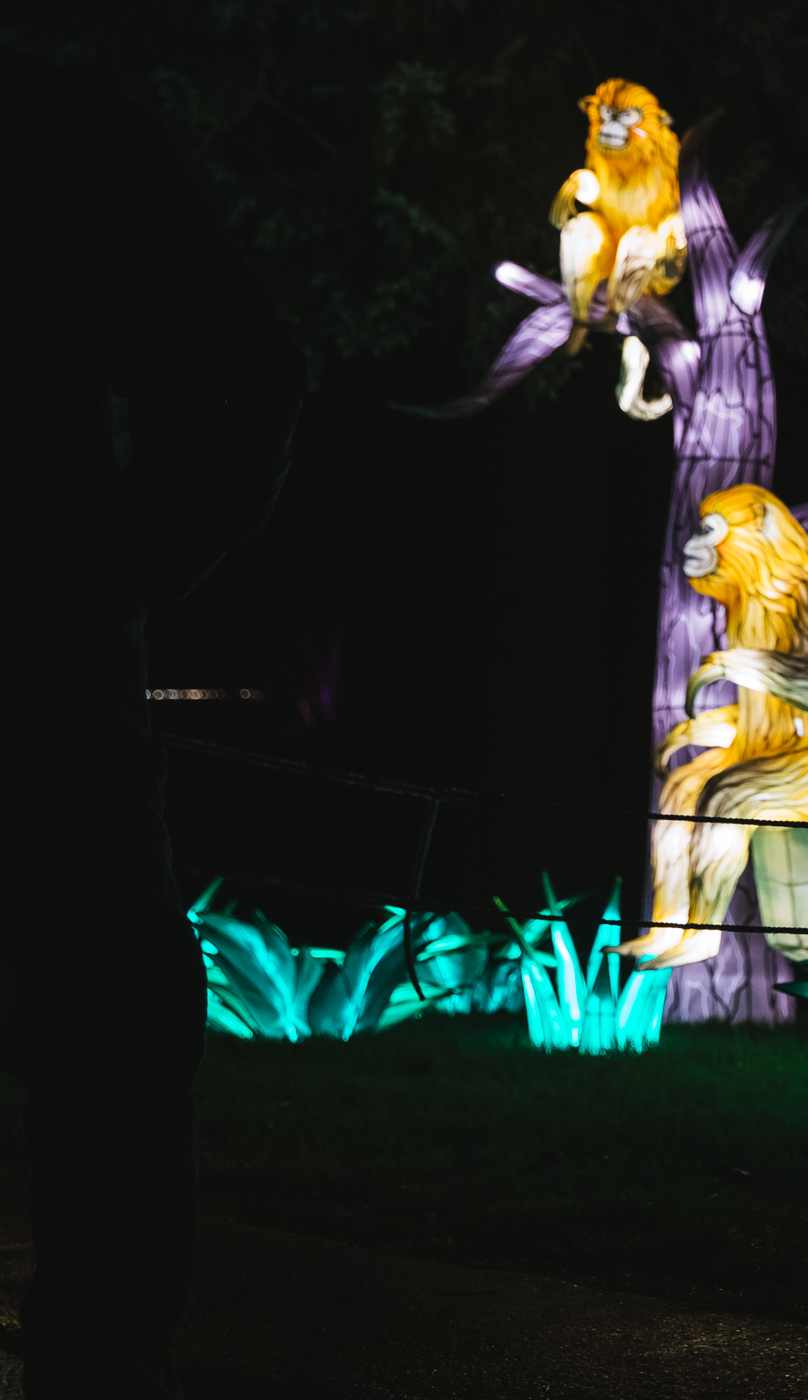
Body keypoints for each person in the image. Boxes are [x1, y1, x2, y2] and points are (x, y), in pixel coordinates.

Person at [0, 50, 303, 1397]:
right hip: (42, 664)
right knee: (100, 1017)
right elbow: (240, 376)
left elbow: (237, 377)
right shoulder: (60, 128)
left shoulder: (55, 128)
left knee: (100, 1010)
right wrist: (104, 575)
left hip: (43, 651)